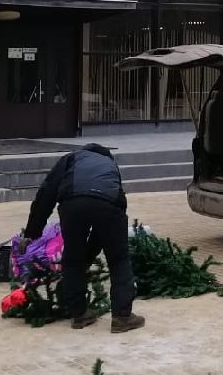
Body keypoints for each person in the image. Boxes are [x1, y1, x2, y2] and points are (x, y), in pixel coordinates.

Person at [21, 143, 145, 333]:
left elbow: (46, 194)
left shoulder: (71, 158)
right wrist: (93, 253)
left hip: (72, 204)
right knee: (118, 259)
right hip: (108, 206)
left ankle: (79, 315)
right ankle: (122, 317)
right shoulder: (110, 165)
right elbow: (116, 207)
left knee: (72, 258)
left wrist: (32, 233)